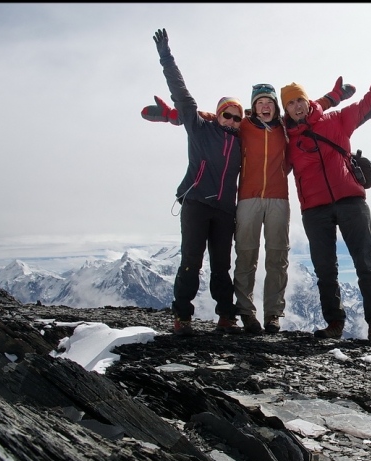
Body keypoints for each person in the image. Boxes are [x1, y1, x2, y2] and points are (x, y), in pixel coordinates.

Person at [143, 81, 356, 334]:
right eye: (259, 103)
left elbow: (311, 106)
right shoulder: (241, 125)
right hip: (247, 199)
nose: (265, 107)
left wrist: (334, 96)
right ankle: (245, 313)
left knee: (278, 258)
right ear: (253, 108)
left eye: (269, 103)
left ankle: (273, 315)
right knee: (246, 257)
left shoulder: (286, 126)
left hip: (278, 199)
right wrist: (170, 116)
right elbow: (215, 117)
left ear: (275, 107)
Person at [280, 45, 371, 350]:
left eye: (300, 100)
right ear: (286, 109)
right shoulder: (285, 141)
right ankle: (334, 324)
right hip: (314, 210)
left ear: (308, 102)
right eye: (290, 103)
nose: (297, 106)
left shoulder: (337, 121)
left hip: (350, 202)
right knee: (324, 270)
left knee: (365, 266)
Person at [150, 28, 243, 336]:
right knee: (191, 260)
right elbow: (181, 91)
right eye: (226, 115)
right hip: (196, 203)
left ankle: (226, 317)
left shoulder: (244, 141)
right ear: (217, 114)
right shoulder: (200, 128)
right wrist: (166, 56)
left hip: (225, 210)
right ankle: (182, 316)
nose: (231, 121)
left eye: (236, 117)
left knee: (221, 265)